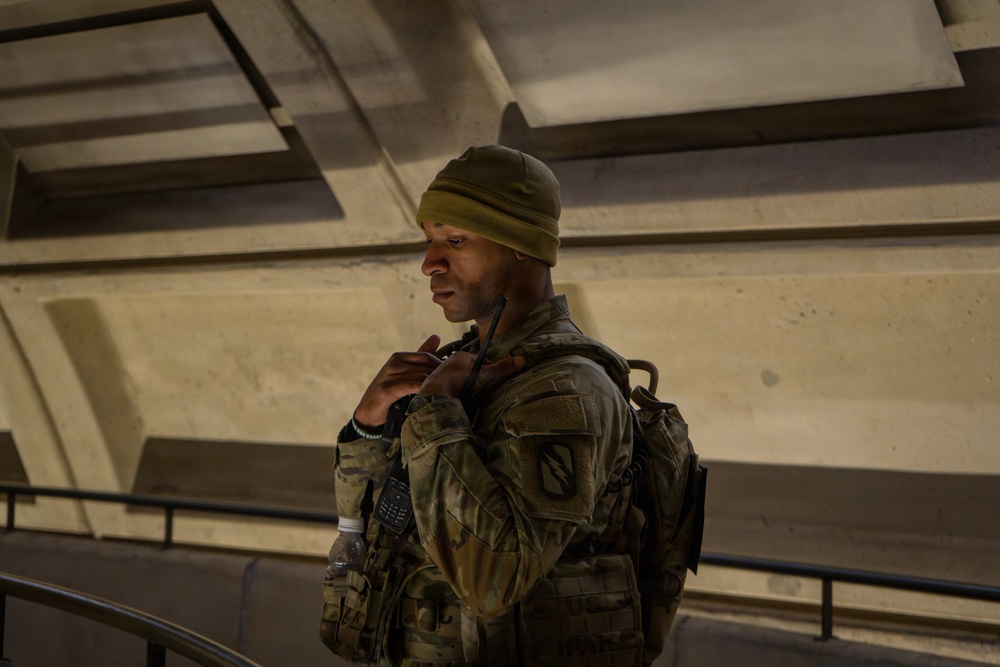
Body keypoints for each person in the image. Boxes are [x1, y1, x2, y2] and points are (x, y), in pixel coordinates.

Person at [321, 145, 642, 666]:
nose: (429, 263)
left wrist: (434, 411)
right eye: (429, 241)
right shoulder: (462, 367)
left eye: (456, 239)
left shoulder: (567, 390)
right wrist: (369, 426)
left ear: (521, 244)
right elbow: (372, 529)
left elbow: (495, 580)